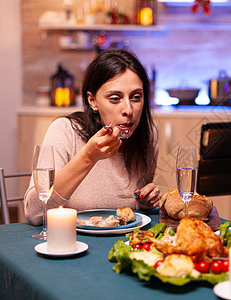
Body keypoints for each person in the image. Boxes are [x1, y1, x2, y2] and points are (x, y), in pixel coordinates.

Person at [25, 49, 160, 225]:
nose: (128, 109)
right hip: (70, 243)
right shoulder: (65, 131)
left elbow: (127, 210)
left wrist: (142, 203)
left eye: (136, 97)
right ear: (92, 101)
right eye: (115, 98)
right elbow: (35, 213)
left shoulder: (146, 139)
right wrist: (88, 156)